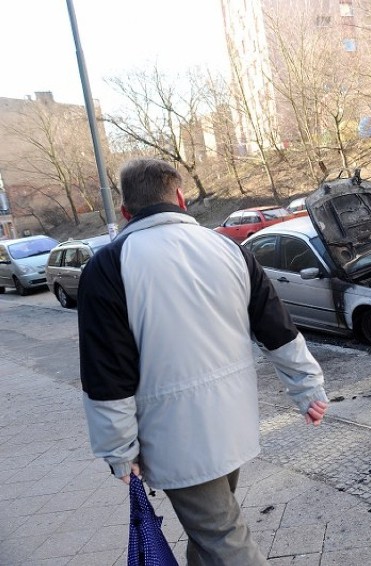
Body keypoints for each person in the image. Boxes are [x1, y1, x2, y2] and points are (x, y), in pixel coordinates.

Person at [77, 158, 329, 565]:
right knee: (211, 530)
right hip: (234, 425)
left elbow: (107, 372)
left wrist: (118, 450)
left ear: (125, 212)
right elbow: (277, 329)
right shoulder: (229, 249)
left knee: (222, 536)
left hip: (174, 438)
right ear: (180, 198)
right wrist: (308, 389)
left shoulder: (108, 267)